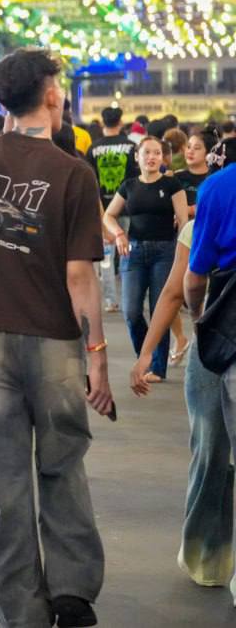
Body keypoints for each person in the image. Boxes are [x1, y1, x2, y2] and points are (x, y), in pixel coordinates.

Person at [0, 48, 114, 628]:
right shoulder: (74, 173)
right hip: (53, 341)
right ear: (51, 95)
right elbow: (80, 277)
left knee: (2, 479)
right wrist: (97, 356)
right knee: (63, 462)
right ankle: (72, 591)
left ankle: (19, 608)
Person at [128, 214, 236, 593]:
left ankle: (208, 556)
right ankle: (208, 555)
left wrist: (146, 354)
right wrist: (146, 353)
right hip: (210, 351)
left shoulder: (206, 219)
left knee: (210, 455)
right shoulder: (198, 225)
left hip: (210, 346)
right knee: (210, 454)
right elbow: (175, 290)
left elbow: (181, 290)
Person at [181, 158, 236, 605]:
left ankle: (208, 558)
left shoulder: (218, 188)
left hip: (225, 330)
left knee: (211, 448)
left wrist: (200, 318)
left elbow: (194, 277)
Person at [102, 137, 188, 382]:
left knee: (160, 310)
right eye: (147, 152)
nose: (152, 157)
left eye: (157, 153)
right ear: (137, 157)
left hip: (165, 251)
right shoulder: (128, 186)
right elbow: (108, 215)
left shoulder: (172, 184)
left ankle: (157, 369)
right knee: (131, 311)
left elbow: (183, 222)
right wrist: (119, 233)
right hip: (134, 252)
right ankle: (145, 358)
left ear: (162, 157)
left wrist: (182, 256)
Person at [87, 106, 138, 313]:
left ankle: (110, 300)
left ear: (102, 122)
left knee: (107, 258)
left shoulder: (93, 148)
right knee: (128, 253)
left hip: (102, 209)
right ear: (121, 122)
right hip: (127, 206)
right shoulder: (131, 147)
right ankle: (130, 297)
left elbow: (90, 180)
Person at [175, 129, 216, 216]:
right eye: (188, 147)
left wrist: (191, 210)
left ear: (209, 154)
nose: (190, 151)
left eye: (197, 148)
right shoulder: (176, 177)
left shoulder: (214, 179)